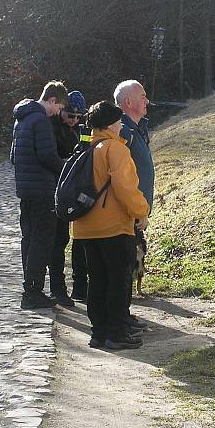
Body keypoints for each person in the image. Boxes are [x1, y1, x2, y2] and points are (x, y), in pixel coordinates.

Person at [72, 101, 150, 350]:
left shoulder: (87, 147)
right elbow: (125, 187)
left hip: (86, 226)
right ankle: (116, 333)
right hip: (114, 226)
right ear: (110, 124)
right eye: (118, 121)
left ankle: (99, 332)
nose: (120, 125)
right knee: (117, 280)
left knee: (97, 280)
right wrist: (141, 212)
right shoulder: (115, 149)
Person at [11, 81, 68, 309]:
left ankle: (30, 287)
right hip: (43, 189)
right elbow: (47, 156)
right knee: (42, 241)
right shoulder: (41, 120)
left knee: (29, 238)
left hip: (25, 189)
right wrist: (66, 167)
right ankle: (33, 291)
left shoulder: (21, 119)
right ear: (52, 100)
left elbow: (13, 155)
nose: (59, 112)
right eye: (59, 107)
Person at [114, 80, 155, 329]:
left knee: (129, 261)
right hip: (127, 211)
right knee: (123, 264)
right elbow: (120, 176)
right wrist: (135, 209)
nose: (147, 100)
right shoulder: (123, 132)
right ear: (128, 102)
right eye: (142, 95)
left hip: (137, 209)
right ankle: (121, 318)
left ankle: (124, 314)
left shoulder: (138, 128)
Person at [48, 90, 86, 306]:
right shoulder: (52, 129)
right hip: (56, 190)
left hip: (70, 191)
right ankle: (57, 288)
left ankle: (74, 286)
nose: (74, 120)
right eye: (70, 115)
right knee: (58, 241)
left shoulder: (74, 130)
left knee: (69, 240)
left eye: (78, 117)